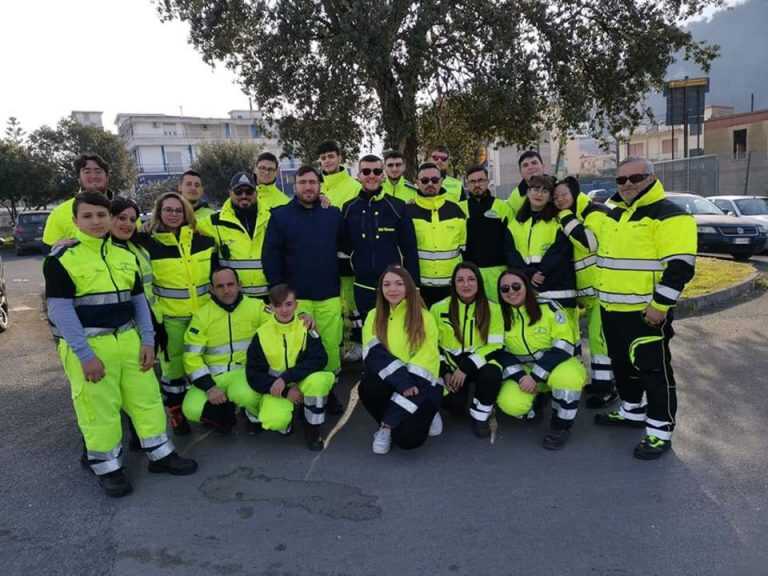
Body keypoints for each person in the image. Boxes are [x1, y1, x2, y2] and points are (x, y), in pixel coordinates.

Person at [44, 192, 197, 497]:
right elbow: (60, 311)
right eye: (88, 216)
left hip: (130, 341)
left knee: (148, 400)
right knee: (99, 410)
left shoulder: (126, 256)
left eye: (102, 215)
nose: (96, 221)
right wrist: (85, 356)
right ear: (75, 221)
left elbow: (139, 303)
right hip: (90, 346)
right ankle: (108, 469)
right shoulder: (61, 260)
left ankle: (160, 455)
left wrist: (148, 341)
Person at [577, 157, 696, 459]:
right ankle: (632, 412)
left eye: (636, 177)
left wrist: (660, 306)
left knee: (654, 373)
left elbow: (681, 267)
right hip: (611, 310)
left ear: (651, 177)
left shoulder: (670, 215)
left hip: (645, 314)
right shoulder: (616, 213)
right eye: (621, 180)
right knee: (623, 367)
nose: (628, 184)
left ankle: (659, 433)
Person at [262, 165, 345, 411]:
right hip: (295, 298)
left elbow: (345, 248)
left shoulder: (333, 214)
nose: (308, 187)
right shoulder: (280, 216)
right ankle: (300, 396)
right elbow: (270, 256)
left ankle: (327, 392)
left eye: (312, 182)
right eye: (303, 182)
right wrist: (279, 294)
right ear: (294, 185)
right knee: (298, 350)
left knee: (330, 346)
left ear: (320, 186)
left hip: (329, 294)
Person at [141, 192, 217, 435]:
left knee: (204, 365)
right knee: (174, 373)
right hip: (171, 320)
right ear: (159, 213)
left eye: (178, 210)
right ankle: (177, 416)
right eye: (168, 210)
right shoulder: (148, 244)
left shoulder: (204, 241)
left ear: (186, 212)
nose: (173, 214)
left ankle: (205, 411)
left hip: (203, 318)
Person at [492, 270, 586, 450]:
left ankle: (561, 425)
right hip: (525, 372)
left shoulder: (549, 308)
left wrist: (535, 377)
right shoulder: (498, 316)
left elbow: (564, 346)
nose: (511, 291)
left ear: (526, 285)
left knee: (567, 379)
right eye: (504, 289)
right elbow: (500, 352)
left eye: (516, 286)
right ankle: (536, 402)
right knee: (510, 404)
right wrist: (521, 377)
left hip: (557, 366)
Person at [360, 266, 442, 454]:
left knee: (407, 441)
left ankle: (421, 413)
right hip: (396, 380)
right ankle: (386, 428)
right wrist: (401, 381)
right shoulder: (373, 315)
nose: (392, 289)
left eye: (399, 283)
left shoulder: (425, 317)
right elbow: (372, 353)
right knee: (368, 386)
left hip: (418, 382)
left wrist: (407, 383)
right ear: (380, 289)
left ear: (409, 287)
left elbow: (426, 358)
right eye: (386, 284)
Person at [341, 154, 420, 344]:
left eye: (376, 171)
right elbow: (342, 244)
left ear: (382, 174)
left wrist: (415, 286)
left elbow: (409, 248)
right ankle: (370, 370)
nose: (371, 175)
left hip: (394, 285)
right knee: (369, 333)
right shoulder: (348, 208)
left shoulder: (397, 206)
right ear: (358, 175)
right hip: (363, 285)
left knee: (397, 332)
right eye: (366, 171)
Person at [246, 284, 335, 451]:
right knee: (274, 421)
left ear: (296, 304)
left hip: (300, 381)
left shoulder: (306, 326)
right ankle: (288, 418)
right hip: (277, 388)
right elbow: (253, 374)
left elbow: (320, 358)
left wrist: (287, 378)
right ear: (270, 307)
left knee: (319, 380)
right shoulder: (261, 334)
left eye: (288, 304)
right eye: (278, 305)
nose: (284, 310)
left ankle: (312, 428)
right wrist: (286, 391)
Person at [553, 177, 616, 408]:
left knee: (600, 341)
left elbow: (589, 243)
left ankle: (606, 389)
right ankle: (601, 381)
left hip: (603, 291)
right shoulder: (577, 215)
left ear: (574, 193)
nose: (559, 200)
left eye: (563, 194)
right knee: (597, 338)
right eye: (556, 197)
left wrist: (565, 217)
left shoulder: (593, 212)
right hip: (589, 295)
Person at [182, 267, 270, 433]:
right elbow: (191, 357)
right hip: (213, 375)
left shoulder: (256, 307)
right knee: (191, 409)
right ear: (212, 289)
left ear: (240, 285)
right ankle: (224, 414)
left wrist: (302, 315)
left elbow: (282, 323)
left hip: (244, 372)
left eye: (231, 284)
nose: (226, 290)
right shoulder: (202, 316)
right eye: (220, 286)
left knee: (245, 395)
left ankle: (254, 417)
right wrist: (209, 387)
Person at [430, 262, 504, 437]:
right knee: (453, 406)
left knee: (492, 374)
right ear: (453, 284)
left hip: (480, 363)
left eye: (471, 279)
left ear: (479, 283)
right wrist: (445, 372)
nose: (466, 284)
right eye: (460, 280)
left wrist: (467, 367)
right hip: (451, 366)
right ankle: (463, 399)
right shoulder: (438, 308)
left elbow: (496, 345)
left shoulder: (494, 309)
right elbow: (432, 346)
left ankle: (481, 415)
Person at [504, 174, 578, 336]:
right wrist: (529, 274)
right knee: (537, 336)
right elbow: (511, 253)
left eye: (545, 191)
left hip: (558, 290)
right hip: (530, 290)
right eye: (535, 189)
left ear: (550, 197)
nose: (539, 194)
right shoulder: (515, 223)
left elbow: (560, 251)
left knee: (565, 337)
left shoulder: (558, 220)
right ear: (528, 192)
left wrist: (541, 273)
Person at [316, 140, 363, 362]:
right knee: (332, 303)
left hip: (347, 256)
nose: (327, 161)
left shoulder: (353, 186)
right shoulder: (315, 185)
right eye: (323, 157)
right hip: (323, 256)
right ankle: (337, 344)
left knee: (350, 301)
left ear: (340, 157)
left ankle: (355, 344)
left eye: (331, 156)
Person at [197, 172, 270, 299]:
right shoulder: (214, 222)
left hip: (269, 298)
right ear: (230, 192)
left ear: (256, 192)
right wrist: (153, 227)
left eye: (249, 191)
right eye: (238, 192)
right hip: (234, 300)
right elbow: (186, 226)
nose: (244, 195)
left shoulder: (272, 218)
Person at [405, 162, 466, 307]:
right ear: (417, 183)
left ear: (442, 181)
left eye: (435, 180)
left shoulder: (456, 211)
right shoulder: (407, 212)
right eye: (425, 181)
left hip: (451, 286)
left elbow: (464, 250)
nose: (430, 183)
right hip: (419, 287)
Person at [460, 164, 510, 302]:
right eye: (473, 181)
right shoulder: (460, 209)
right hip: (470, 275)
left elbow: (511, 243)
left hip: (498, 273)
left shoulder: (502, 207)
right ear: (467, 184)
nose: (477, 184)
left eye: (481, 180)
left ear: (488, 182)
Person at [43, 153, 113, 246]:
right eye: (87, 172)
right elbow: (49, 250)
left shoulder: (125, 209)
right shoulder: (58, 213)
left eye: (98, 171)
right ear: (79, 179)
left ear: (107, 177)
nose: (93, 176)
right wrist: (56, 247)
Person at [506, 150, 546, 218]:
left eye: (534, 163)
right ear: (520, 172)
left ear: (543, 166)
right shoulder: (514, 197)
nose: (530, 167)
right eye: (525, 165)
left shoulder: (556, 188)